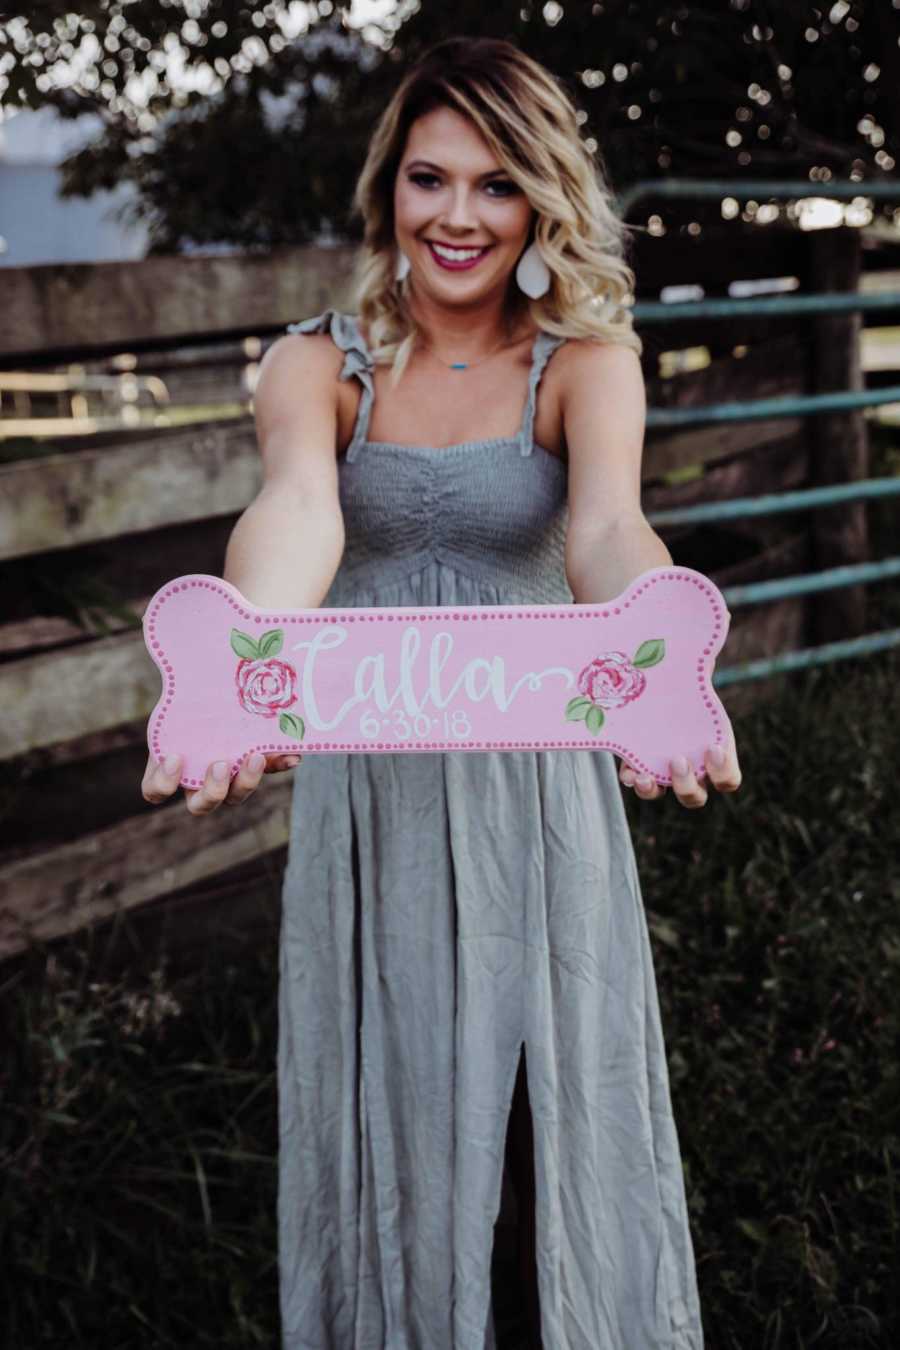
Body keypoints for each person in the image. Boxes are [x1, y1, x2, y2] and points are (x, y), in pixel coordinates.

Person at [142, 35, 740, 1349]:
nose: (457, 215)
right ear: (388, 191)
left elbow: (607, 532)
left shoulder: (584, 360)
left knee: (542, 1107)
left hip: (533, 775)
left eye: (494, 181)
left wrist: (648, 646)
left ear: (540, 199)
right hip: (377, 778)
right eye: (429, 178)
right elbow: (296, 504)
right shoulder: (321, 362)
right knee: (399, 1089)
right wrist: (260, 660)